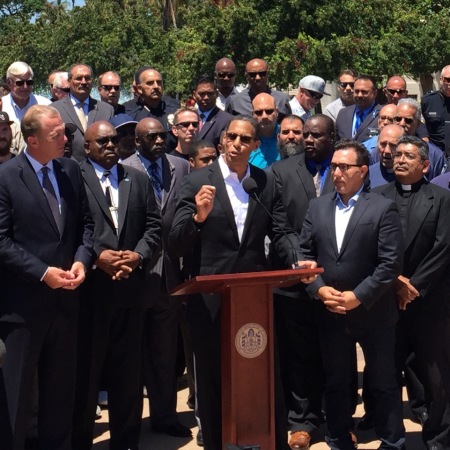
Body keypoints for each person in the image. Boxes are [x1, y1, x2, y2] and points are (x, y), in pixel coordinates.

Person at [169, 115, 316, 450]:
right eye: (232, 137)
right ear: (222, 141)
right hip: (209, 299)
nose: (237, 144)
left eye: (245, 139)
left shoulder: (263, 182)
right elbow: (174, 241)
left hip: (254, 300)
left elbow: (280, 232)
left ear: (254, 146)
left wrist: (297, 258)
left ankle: (263, 440)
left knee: (259, 372)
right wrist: (198, 218)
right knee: (213, 377)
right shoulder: (197, 182)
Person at [299, 140, 405, 450]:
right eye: (333, 167)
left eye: (344, 167)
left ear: (362, 171)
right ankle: (338, 437)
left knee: (384, 382)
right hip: (330, 310)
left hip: (374, 313)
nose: (337, 172)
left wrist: (358, 296)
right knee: (335, 381)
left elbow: (390, 264)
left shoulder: (382, 207)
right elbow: (304, 254)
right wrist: (318, 290)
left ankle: (392, 440)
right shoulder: (317, 207)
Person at [0, 104, 94, 450]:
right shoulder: (6, 177)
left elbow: (86, 226)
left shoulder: (69, 170)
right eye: (57, 135)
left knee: (59, 395)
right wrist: (42, 273)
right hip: (22, 309)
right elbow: (1, 241)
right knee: (16, 397)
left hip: (66, 302)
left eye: (65, 133)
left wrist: (83, 260)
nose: (66, 140)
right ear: (32, 139)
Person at [72, 121, 161, 450]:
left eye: (114, 140)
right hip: (91, 293)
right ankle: (80, 440)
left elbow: (153, 226)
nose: (110, 145)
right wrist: (97, 258)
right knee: (87, 374)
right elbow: (71, 230)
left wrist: (137, 257)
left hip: (130, 291)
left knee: (128, 375)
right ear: (87, 147)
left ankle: (125, 441)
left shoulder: (136, 179)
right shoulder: (74, 178)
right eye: (102, 141)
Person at [375, 136, 450, 450]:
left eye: (408, 155)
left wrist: (414, 286)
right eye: (396, 154)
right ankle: (392, 437)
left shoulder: (442, 198)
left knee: (436, 373)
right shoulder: (376, 197)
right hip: (386, 299)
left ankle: (439, 436)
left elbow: (444, 247)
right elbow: (372, 246)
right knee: (387, 372)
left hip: (429, 300)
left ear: (425, 164)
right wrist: (395, 282)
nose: (399, 159)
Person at [122, 117, 192, 438]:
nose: (159, 140)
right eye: (151, 137)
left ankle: (165, 417)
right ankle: (129, 425)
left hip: (172, 276)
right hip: (137, 277)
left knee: (165, 354)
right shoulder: (124, 169)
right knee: (132, 357)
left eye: (162, 135)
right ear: (138, 141)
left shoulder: (181, 166)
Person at [271, 113, 335, 450]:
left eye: (315, 135)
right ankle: (302, 422)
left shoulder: (345, 167)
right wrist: (300, 262)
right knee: (299, 356)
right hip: (295, 280)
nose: (307, 140)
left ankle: (338, 422)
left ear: (332, 137)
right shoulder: (281, 172)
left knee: (336, 355)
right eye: (304, 135)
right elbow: (279, 225)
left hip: (338, 281)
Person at [53, 64, 114, 162]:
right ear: (69, 81)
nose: (84, 82)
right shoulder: (55, 109)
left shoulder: (107, 110)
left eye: (87, 78)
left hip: (99, 168)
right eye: (78, 78)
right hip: (67, 168)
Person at [393, 98, 444, 178]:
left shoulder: (433, 154)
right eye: (398, 119)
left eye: (408, 120)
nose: (402, 123)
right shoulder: (381, 148)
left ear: (418, 124)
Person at [335, 75, 381, 142]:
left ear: (375, 93)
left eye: (364, 92)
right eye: (356, 91)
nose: (359, 95)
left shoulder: (382, 114)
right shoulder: (343, 114)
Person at [193, 74, 232, 150]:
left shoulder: (227, 120)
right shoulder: (187, 117)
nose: (206, 97)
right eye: (202, 94)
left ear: (216, 94)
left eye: (210, 93)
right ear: (194, 95)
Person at [421, 64, 450, 154]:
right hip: (434, 152)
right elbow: (418, 123)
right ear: (441, 80)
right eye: (448, 79)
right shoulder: (428, 101)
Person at [249, 92, 281, 168]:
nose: (264, 116)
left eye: (269, 111)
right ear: (252, 115)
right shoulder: (246, 140)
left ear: (277, 112)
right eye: (259, 112)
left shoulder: (287, 136)